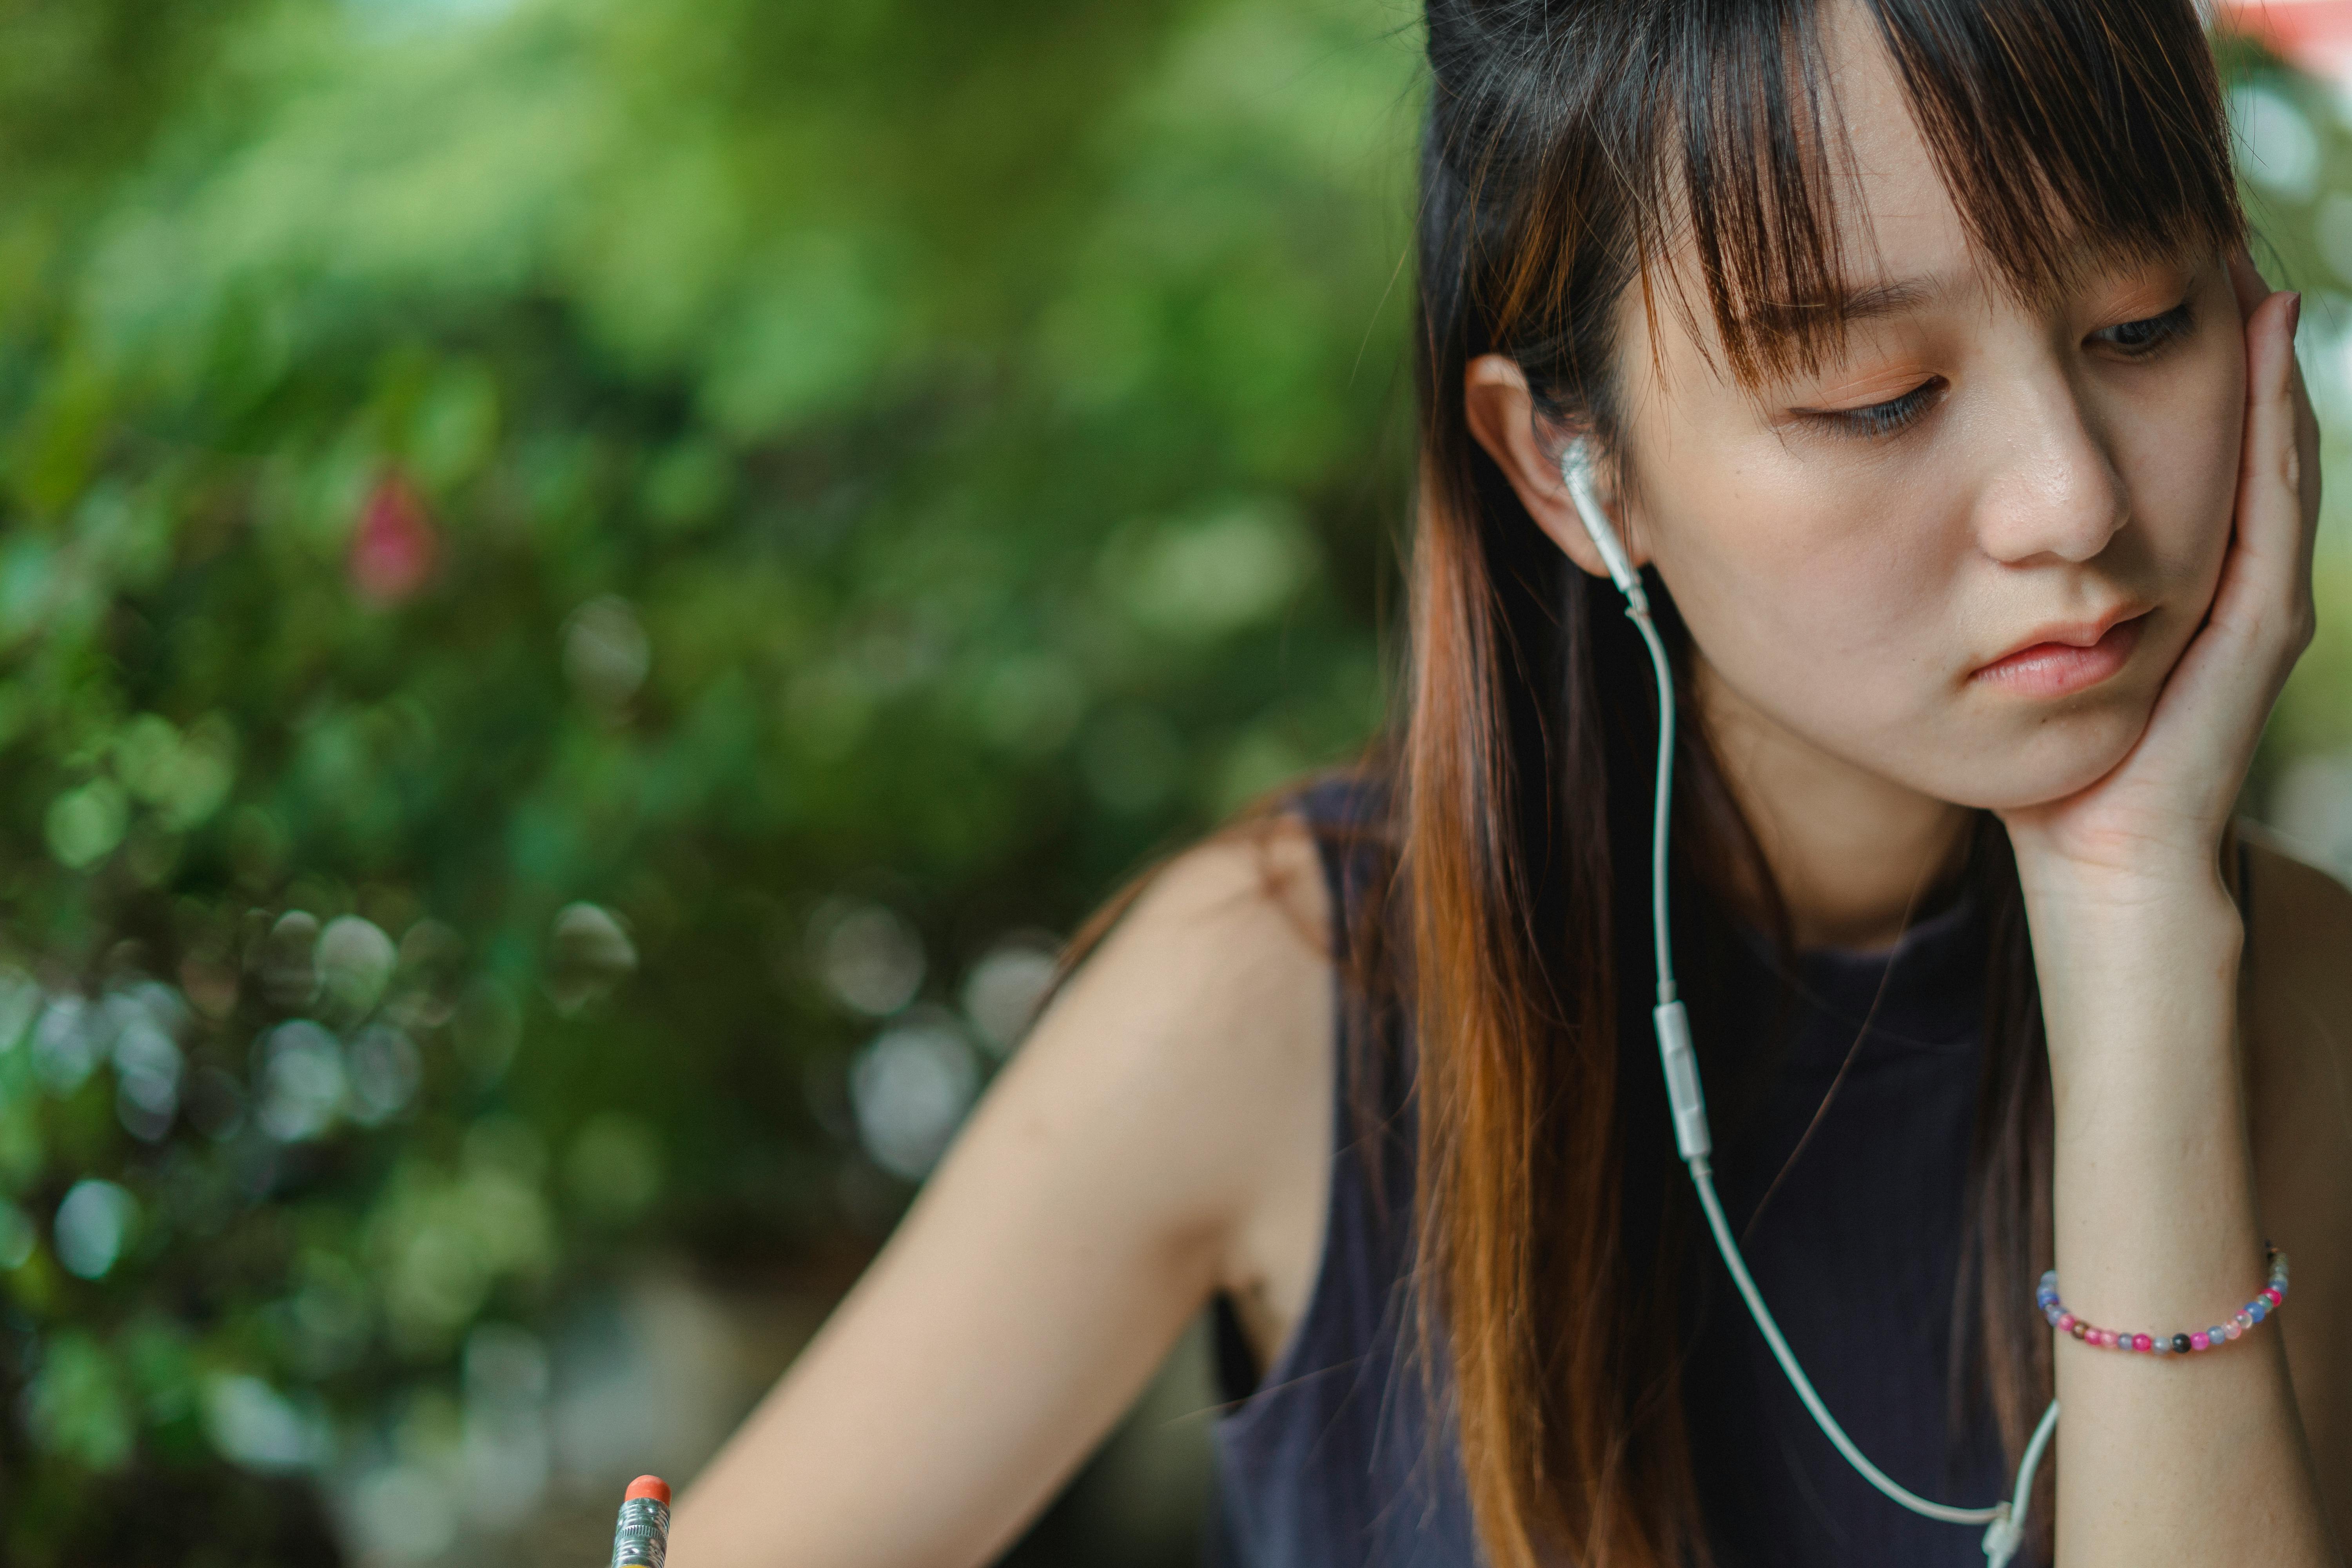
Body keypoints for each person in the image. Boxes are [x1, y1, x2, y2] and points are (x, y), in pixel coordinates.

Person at [670, 0, 2352, 1563]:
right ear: (1568, 460)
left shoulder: (2290, 994)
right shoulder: (1287, 989)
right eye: (1879, 397)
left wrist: (2136, 926)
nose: (2068, 496)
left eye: (2144, 321)